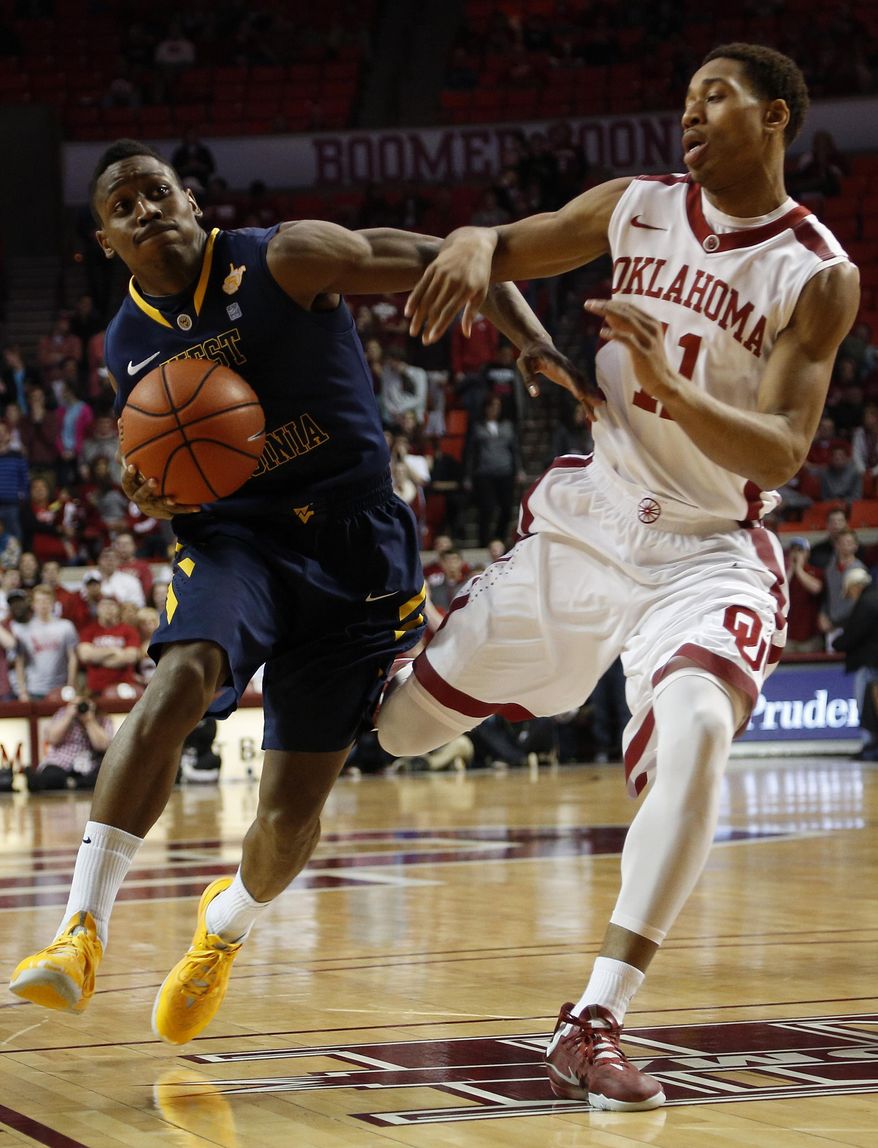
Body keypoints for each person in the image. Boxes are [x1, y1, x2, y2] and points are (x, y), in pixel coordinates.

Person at [378, 43, 859, 1111]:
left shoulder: (813, 271)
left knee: (694, 732)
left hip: (706, 547)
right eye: (683, 99)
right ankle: (375, 637)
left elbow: (781, 449)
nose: (689, 115)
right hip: (588, 524)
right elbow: (503, 245)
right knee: (400, 731)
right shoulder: (635, 204)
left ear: (775, 116)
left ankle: (590, 1016)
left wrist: (665, 387)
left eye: (716, 97)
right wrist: (466, 241)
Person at [8, 139, 571, 1046]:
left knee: (288, 816)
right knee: (180, 677)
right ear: (106, 240)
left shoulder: (287, 255)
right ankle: (80, 930)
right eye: (125, 206)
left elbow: (453, 255)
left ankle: (223, 927)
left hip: (355, 544)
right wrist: (145, 489)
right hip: (238, 540)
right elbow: (155, 463)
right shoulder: (125, 340)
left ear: (193, 200)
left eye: (158, 192)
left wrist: (536, 345)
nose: (147, 211)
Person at [832, 566, 878, 759]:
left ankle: (870, 747)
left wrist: (837, 643)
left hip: (872, 664)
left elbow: (853, 634)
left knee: (866, 704)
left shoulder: (866, 603)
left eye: (849, 593)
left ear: (854, 587)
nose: (850, 597)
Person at [25, 695, 113, 793]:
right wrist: (68, 716)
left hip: (89, 766)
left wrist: (89, 721)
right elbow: (52, 739)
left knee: (103, 775)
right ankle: (55, 782)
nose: (81, 707)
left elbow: (103, 746)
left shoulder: (103, 719)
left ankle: (67, 783)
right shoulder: (63, 714)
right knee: (51, 773)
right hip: (61, 764)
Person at [12, 584, 79, 702]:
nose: (43, 604)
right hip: (34, 689)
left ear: (53, 603)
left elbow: (72, 657)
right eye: (39, 601)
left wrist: (71, 684)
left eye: (47, 600)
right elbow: (19, 661)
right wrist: (22, 691)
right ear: (33, 604)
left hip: (60, 688)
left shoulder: (66, 626)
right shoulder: (23, 630)